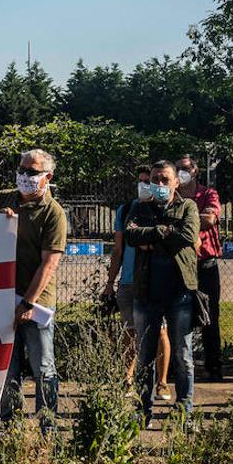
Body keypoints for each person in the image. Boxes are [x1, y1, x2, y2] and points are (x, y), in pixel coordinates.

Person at [0, 149, 67, 427]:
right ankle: (9, 425)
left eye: (33, 172)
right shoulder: (3, 199)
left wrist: (28, 304)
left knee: (43, 366)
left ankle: (48, 425)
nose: (25, 176)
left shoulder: (53, 213)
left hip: (36, 303)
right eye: (22, 170)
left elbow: (49, 264)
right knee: (7, 369)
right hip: (1, 296)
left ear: (48, 176)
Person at [125, 161, 200, 426]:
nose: (158, 184)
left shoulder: (188, 206)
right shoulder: (139, 207)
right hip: (146, 294)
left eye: (164, 180)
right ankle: (142, 413)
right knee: (144, 356)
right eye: (155, 179)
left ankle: (184, 414)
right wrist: (166, 231)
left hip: (180, 293)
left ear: (176, 182)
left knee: (183, 355)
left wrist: (153, 238)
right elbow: (131, 235)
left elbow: (189, 235)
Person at [103, 165, 171, 400]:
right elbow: (119, 249)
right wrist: (111, 282)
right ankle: (127, 379)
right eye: (141, 180)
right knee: (130, 333)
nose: (145, 185)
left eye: (148, 180)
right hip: (128, 282)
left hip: (154, 281)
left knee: (161, 332)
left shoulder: (162, 210)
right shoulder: (125, 211)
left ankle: (162, 382)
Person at [176, 155, 224, 381]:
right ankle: (177, 367)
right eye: (177, 168)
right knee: (177, 314)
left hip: (205, 263)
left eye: (185, 168)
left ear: (195, 170)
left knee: (209, 315)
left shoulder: (208, 194)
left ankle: (214, 366)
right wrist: (195, 218)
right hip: (179, 263)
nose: (181, 172)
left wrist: (182, 219)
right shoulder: (172, 195)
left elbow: (210, 219)